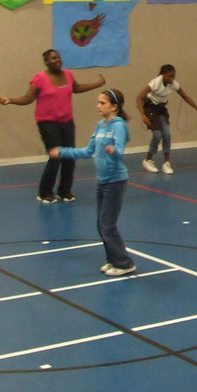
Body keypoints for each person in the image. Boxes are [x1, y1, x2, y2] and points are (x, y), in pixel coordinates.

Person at [0, 48, 104, 203]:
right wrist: (10, 100)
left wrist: (97, 83)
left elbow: (77, 88)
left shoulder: (68, 75)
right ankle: (45, 192)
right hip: (47, 123)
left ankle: (65, 191)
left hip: (67, 122)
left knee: (70, 157)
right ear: (46, 62)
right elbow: (28, 98)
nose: (57, 60)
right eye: (53, 58)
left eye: (59, 57)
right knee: (56, 157)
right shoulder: (40, 79)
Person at [51, 89, 136, 276]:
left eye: (102, 103)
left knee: (107, 224)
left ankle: (124, 263)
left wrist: (113, 151)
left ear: (114, 106)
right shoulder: (100, 125)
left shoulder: (119, 126)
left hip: (116, 181)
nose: (98, 106)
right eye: (98, 102)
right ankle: (112, 259)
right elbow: (88, 151)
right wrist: (63, 152)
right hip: (102, 181)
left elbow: (120, 150)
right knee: (101, 224)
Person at [137, 64, 197, 174]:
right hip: (150, 108)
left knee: (167, 134)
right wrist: (143, 115)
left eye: (173, 76)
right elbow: (139, 97)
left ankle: (166, 163)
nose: (172, 79)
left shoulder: (173, 84)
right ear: (163, 75)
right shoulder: (155, 83)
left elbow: (186, 97)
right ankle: (148, 160)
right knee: (157, 135)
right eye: (169, 76)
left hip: (161, 109)